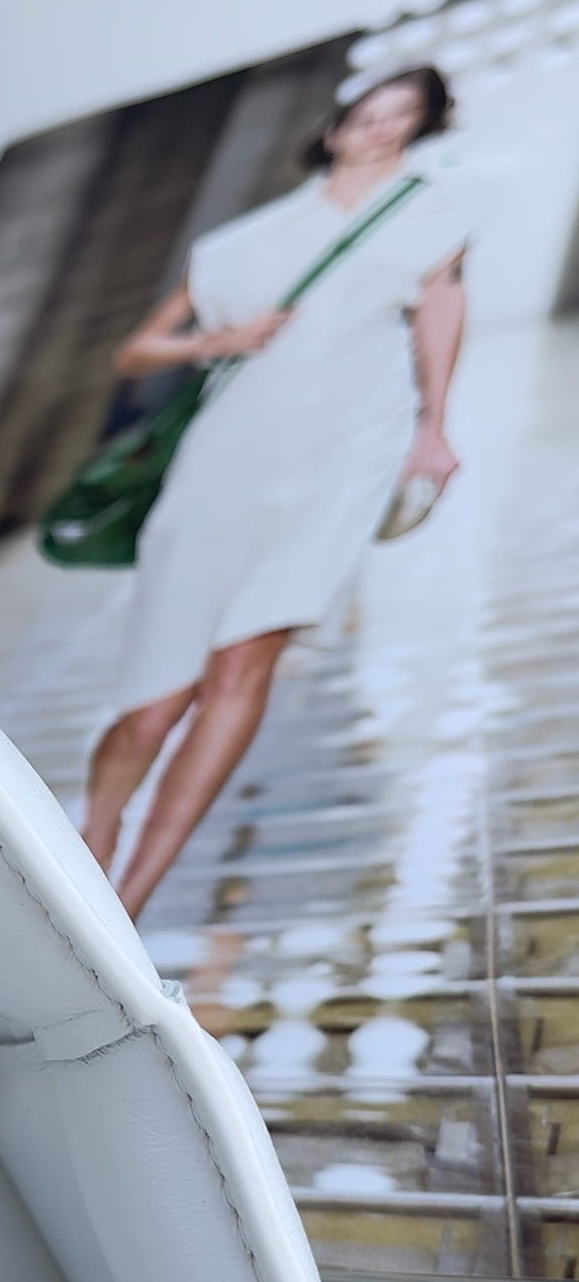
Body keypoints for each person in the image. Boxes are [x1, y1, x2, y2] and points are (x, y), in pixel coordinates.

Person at [80, 66, 474, 920]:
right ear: (333, 129)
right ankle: (95, 838)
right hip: (225, 460)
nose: (380, 129)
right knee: (154, 703)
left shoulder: (431, 214)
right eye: (367, 114)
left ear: (419, 130)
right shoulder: (241, 242)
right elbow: (135, 352)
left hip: (346, 453)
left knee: (244, 663)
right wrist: (216, 341)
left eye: (401, 117)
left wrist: (434, 427)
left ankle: (131, 898)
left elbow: (440, 311)